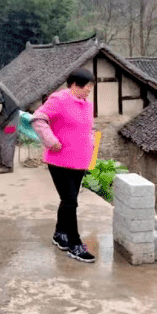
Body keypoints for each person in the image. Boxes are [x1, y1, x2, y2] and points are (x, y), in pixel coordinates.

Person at [31, 68, 96, 263]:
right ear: (75, 85)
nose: (88, 92)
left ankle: (60, 234)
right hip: (60, 160)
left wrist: (91, 146)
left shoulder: (87, 105)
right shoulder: (59, 100)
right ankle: (75, 245)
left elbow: (88, 129)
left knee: (69, 200)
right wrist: (51, 141)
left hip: (80, 161)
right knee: (70, 202)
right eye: (87, 88)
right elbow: (38, 118)